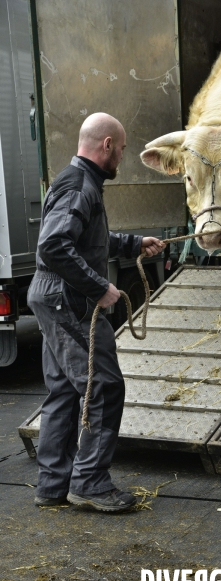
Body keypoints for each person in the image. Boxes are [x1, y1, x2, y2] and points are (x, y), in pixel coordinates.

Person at [27, 113, 165, 512]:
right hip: (67, 299)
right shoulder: (79, 185)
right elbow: (54, 247)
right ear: (106, 145)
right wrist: (100, 287)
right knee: (102, 386)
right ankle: (89, 482)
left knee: (65, 393)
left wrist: (133, 244)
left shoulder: (80, 183)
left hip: (53, 295)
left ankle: (53, 486)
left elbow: (87, 241)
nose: (121, 156)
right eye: (121, 149)